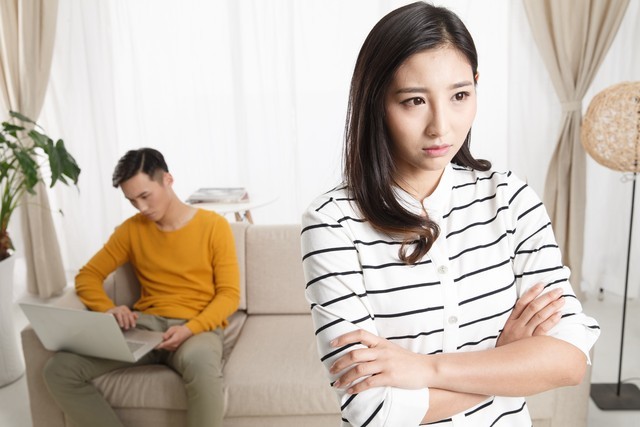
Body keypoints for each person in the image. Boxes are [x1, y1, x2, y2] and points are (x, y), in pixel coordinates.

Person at [300, 2, 600, 426]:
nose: (440, 126)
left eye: (460, 95)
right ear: (376, 101)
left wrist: (426, 369)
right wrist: (506, 361)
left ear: (476, 86)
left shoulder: (510, 198)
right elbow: (374, 411)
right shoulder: (332, 222)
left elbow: (568, 361)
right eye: (414, 101)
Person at [43, 148, 240, 427]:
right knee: (60, 369)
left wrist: (190, 329)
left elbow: (229, 295)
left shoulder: (213, 226)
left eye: (145, 196)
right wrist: (108, 308)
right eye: (132, 200)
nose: (142, 208)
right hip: (145, 327)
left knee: (201, 368)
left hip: (196, 329)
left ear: (168, 180)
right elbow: (87, 276)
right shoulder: (130, 230)